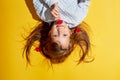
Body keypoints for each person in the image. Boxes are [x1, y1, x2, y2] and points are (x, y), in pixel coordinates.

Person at [23, 0, 92, 64]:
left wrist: (52, 3)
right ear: (71, 33)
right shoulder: (77, 17)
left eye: (55, 35)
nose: (60, 30)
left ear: (49, 33)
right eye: (64, 35)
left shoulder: (44, 15)